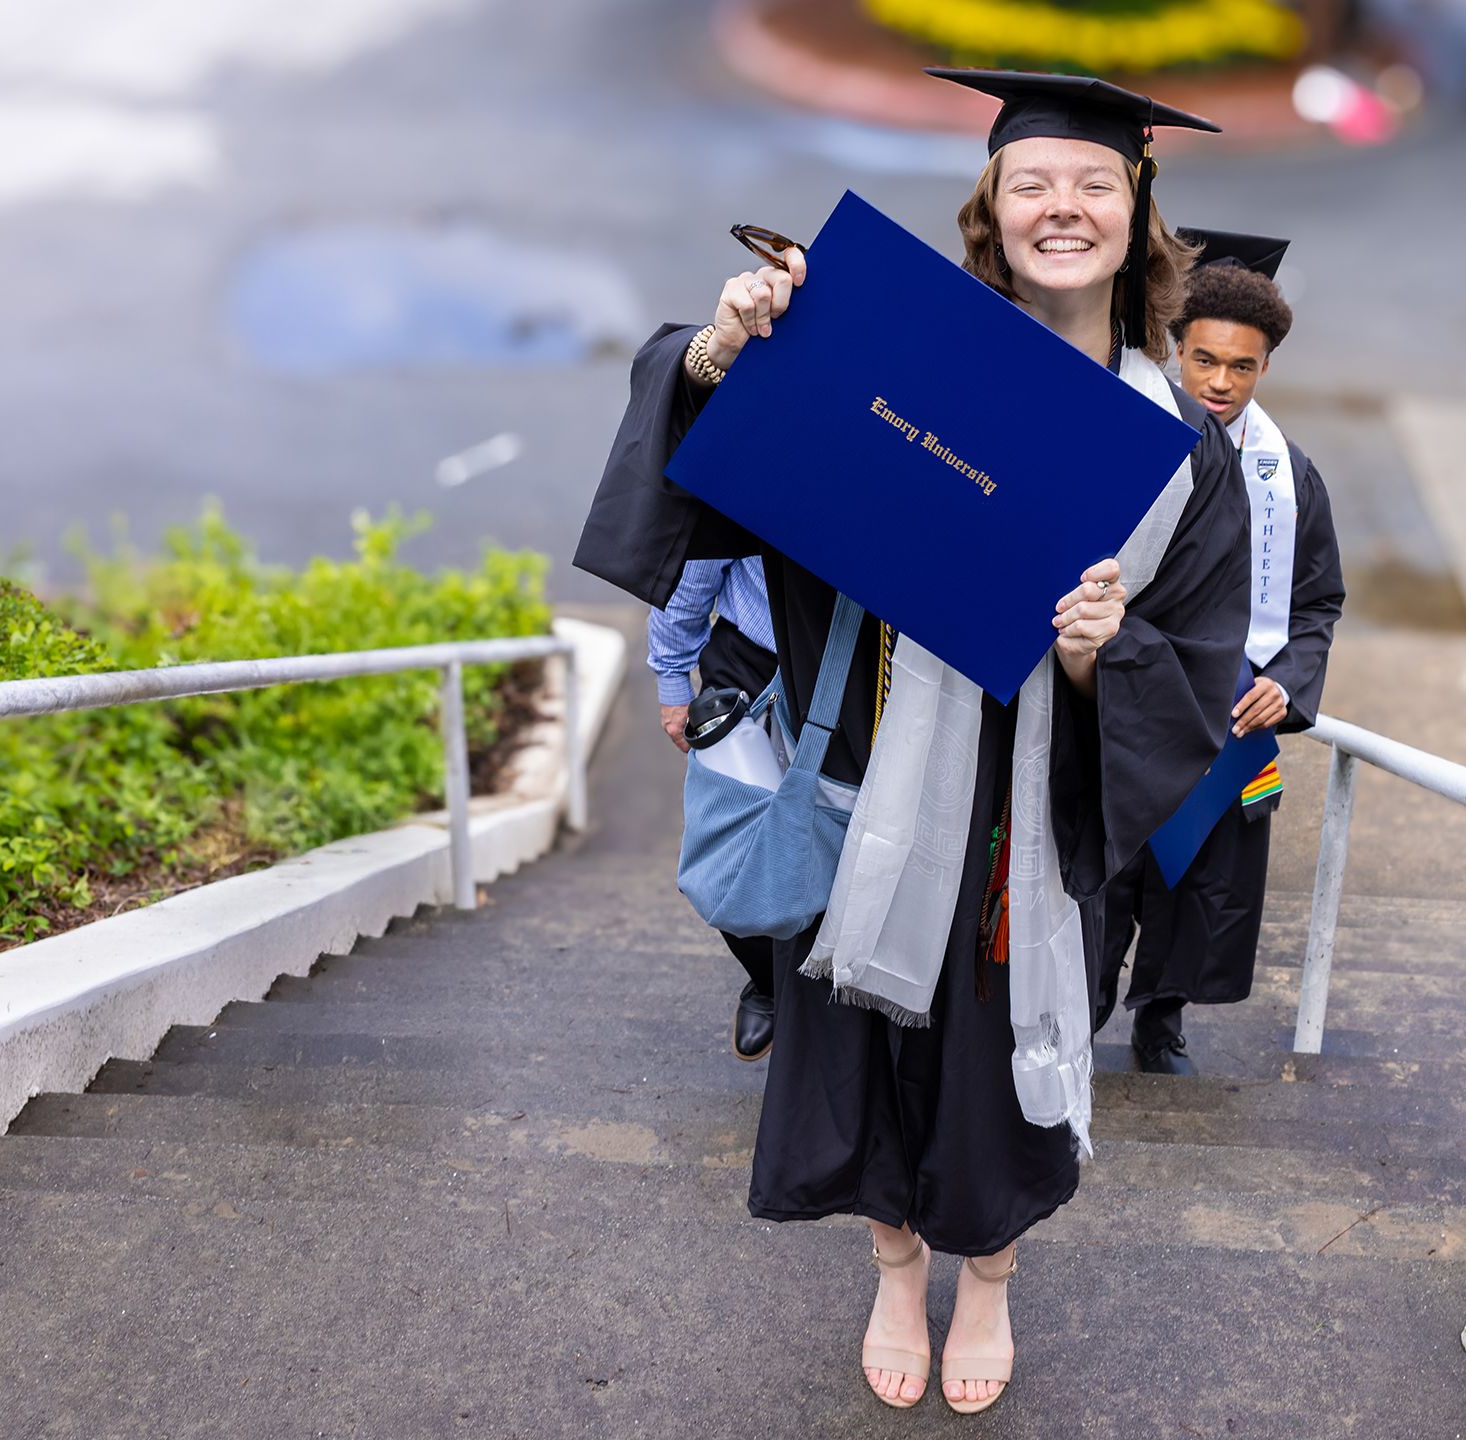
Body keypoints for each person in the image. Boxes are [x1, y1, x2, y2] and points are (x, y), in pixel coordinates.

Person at [573, 68, 1252, 1415]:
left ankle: (986, 1279)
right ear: (991, 210)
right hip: (867, 787)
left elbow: (1202, 669)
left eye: (1095, 182)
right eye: (1032, 181)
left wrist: (1098, 655)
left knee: (996, 1084)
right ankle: (894, 1270)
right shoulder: (895, 356)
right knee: (859, 1055)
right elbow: (728, 457)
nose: (1064, 205)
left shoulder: (1185, 450)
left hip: (1037, 829)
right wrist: (728, 348)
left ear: (1140, 210)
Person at [1095, 232, 1345, 1075]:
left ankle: (1160, 1022)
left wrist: (1290, 681)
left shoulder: (1290, 475)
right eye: (1204, 361)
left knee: (1201, 873)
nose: (1220, 384)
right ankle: (1072, 1017)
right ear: (1174, 347)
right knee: (1107, 873)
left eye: (1242, 367)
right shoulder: (1132, 438)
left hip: (1231, 712)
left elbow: (1317, 601)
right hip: (1132, 692)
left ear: (1265, 367)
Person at [647, 555, 780, 1060]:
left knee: (844, 842)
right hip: (751, 658)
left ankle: (824, 999)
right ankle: (766, 975)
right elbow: (698, 554)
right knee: (730, 847)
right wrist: (672, 675)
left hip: (868, 666)